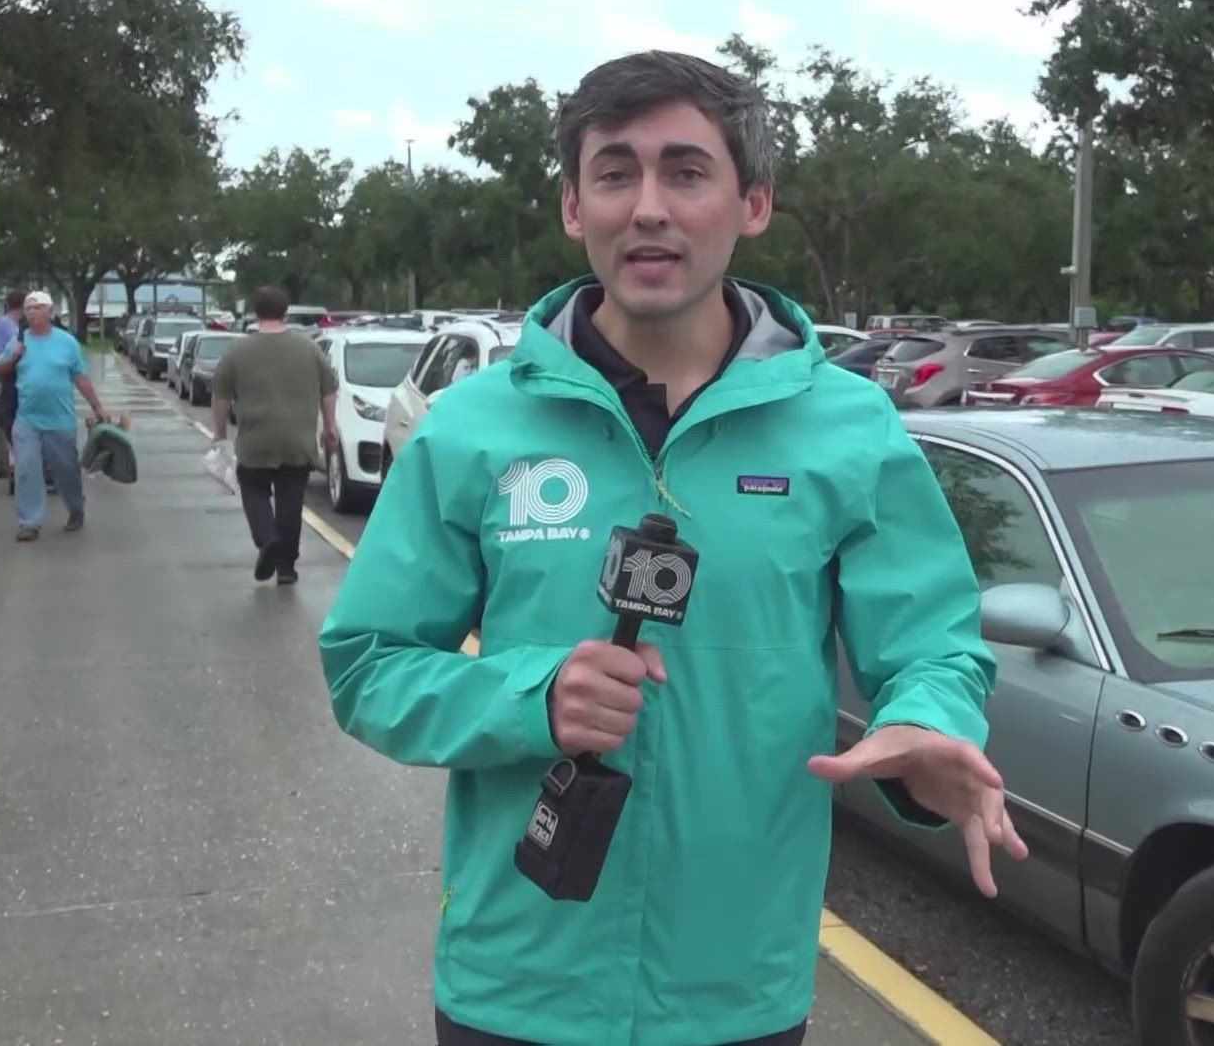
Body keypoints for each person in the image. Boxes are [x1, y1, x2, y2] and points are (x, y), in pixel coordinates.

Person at [318, 51, 1027, 1046]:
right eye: (616, 173)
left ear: (752, 203)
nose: (648, 207)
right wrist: (529, 698)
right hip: (517, 987)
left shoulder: (850, 429)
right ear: (575, 208)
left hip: (740, 990)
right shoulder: (471, 428)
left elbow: (932, 645)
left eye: (687, 172)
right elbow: (367, 664)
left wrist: (927, 722)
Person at [210, 285, 339, 585]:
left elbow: (221, 396)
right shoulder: (309, 349)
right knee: (290, 503)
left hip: (255, 442)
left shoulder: (236, 351)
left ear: (256, 313)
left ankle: (267, 539)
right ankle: (286, 568)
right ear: (285, 311)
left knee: (253, 492)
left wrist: (219, 432)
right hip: (298, 442)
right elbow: (329, 390)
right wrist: (330, 426)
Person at [0, 291, 108, 541]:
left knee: (66, 470)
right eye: (28, 309)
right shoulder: (18, 341)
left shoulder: (67, 343)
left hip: (60, 420)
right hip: (27, 420)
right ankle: (29, 522)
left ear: (50, 312)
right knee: (26, 469)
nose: (31, 312)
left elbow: (80, 377)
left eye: (37, 308)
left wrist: (97, 407)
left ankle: (76, 509)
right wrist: (14, 357)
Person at [0, 291, 26, 482]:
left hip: (4, 381)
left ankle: (7, 465)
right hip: (4, 382)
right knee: (8, 424)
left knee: (7, 423)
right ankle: (8, 467)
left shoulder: (6, 324)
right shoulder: (8, 326)